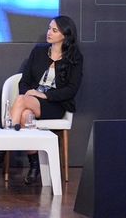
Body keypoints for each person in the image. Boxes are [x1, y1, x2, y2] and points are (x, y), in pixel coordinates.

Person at [8, 15, 83, 185]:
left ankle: (3, 149)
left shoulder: (74, 57)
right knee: (25, 114)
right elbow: (24, 82)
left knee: (21, 101)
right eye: (49, 28)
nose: (49, 32)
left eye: (54, 30)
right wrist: (30, 93)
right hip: (32, 101)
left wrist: (46, 95)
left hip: (55, 105)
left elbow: (71, 89)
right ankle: (34, 166)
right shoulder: (38, 52)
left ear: (65, 35)